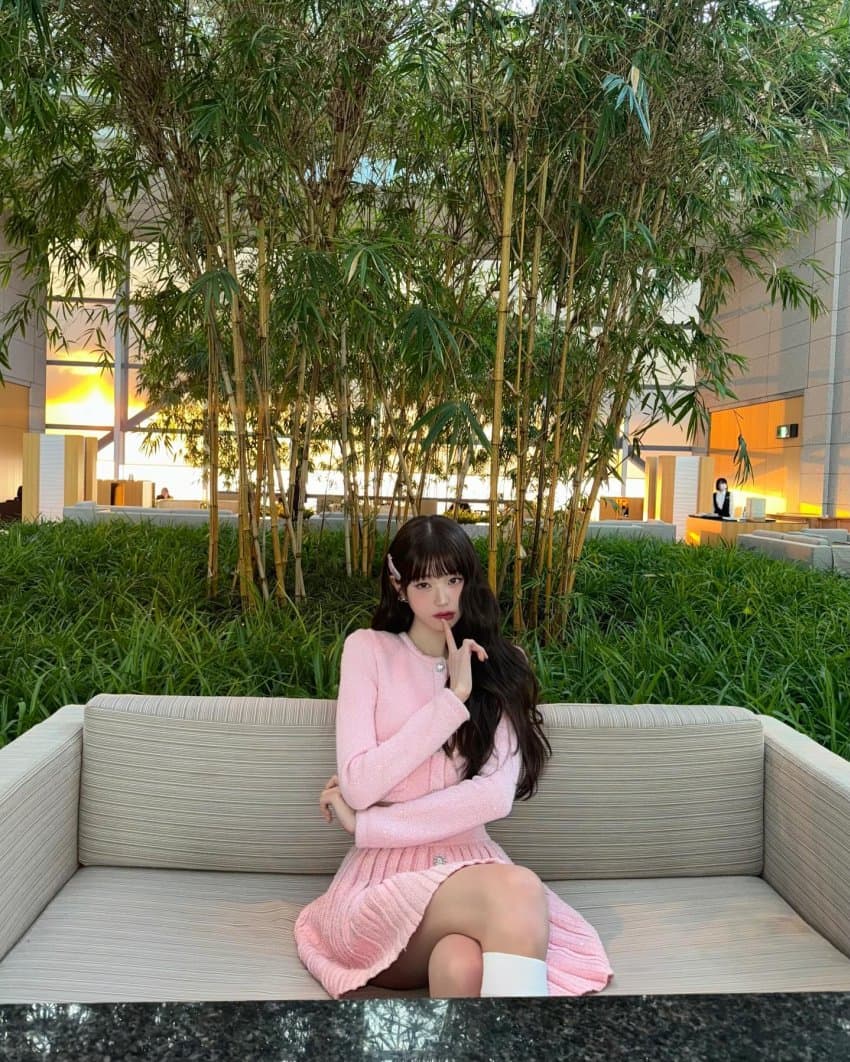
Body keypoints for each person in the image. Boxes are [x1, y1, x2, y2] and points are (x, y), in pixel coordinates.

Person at [294, 515, 613, 999]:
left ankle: (487, 1039)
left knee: (461, 964)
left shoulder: (502, 664)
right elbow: (358, 783)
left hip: (472, 872)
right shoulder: (368, 651)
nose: (442, 598)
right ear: (399, 587)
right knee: (519, 889)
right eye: (424, 584)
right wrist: (451, 700)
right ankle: (531, 1037)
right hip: (382, 887)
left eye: (453, 579)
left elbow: (493, 797)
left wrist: (370, 825)